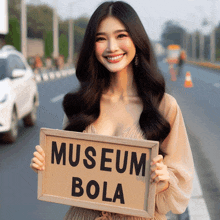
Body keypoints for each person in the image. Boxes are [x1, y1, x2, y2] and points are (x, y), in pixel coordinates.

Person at [30, 1, 194, 220]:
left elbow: (180, 187)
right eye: (100, 38)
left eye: (121, 36)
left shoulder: (164, 106)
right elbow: (67, 180)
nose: (111, 47)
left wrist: (164, 181)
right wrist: (47, 167)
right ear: (92, 45)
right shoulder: (80, 103)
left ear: (137, 39)